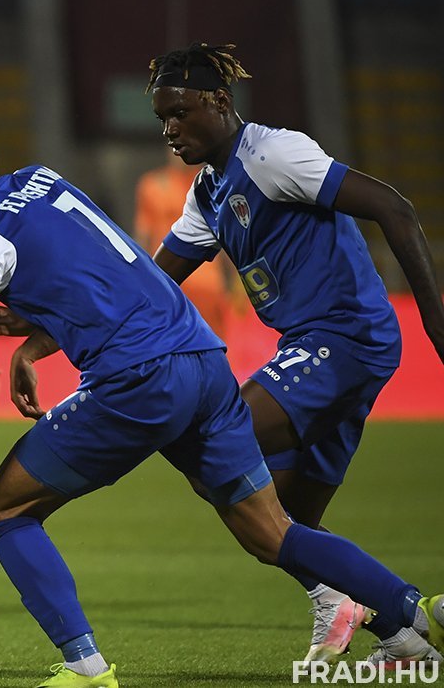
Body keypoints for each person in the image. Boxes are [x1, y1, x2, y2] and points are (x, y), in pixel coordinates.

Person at [0, 109, 443, 687]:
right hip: (205, 363)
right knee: (271, 530)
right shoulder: (44, 182)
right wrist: (33, 339)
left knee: (6, 508)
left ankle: (86, 668)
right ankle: (414, 615)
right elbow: (105, 275)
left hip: (138, 380)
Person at [145, 42, 444, 665]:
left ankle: (403, 609)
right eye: (162, 118)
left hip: (343, 338)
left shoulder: (272, 154)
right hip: (318, 348)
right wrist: (45, 324)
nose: (169, 129)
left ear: (219, 101)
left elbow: (394, 207)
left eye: (180, 113)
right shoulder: (208, 193)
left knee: (211, 444)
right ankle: (401, 637)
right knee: (282, 518)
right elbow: (149, 284)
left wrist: (436, 323)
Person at [132, 149, 237, 339]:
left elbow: (223, 235)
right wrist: (141, 280)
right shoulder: (152, 185)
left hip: (207, 285)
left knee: (210, 341)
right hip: (170, 279)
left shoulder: (211, 185)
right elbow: (143, 236)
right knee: (172, 340)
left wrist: (235, 279)